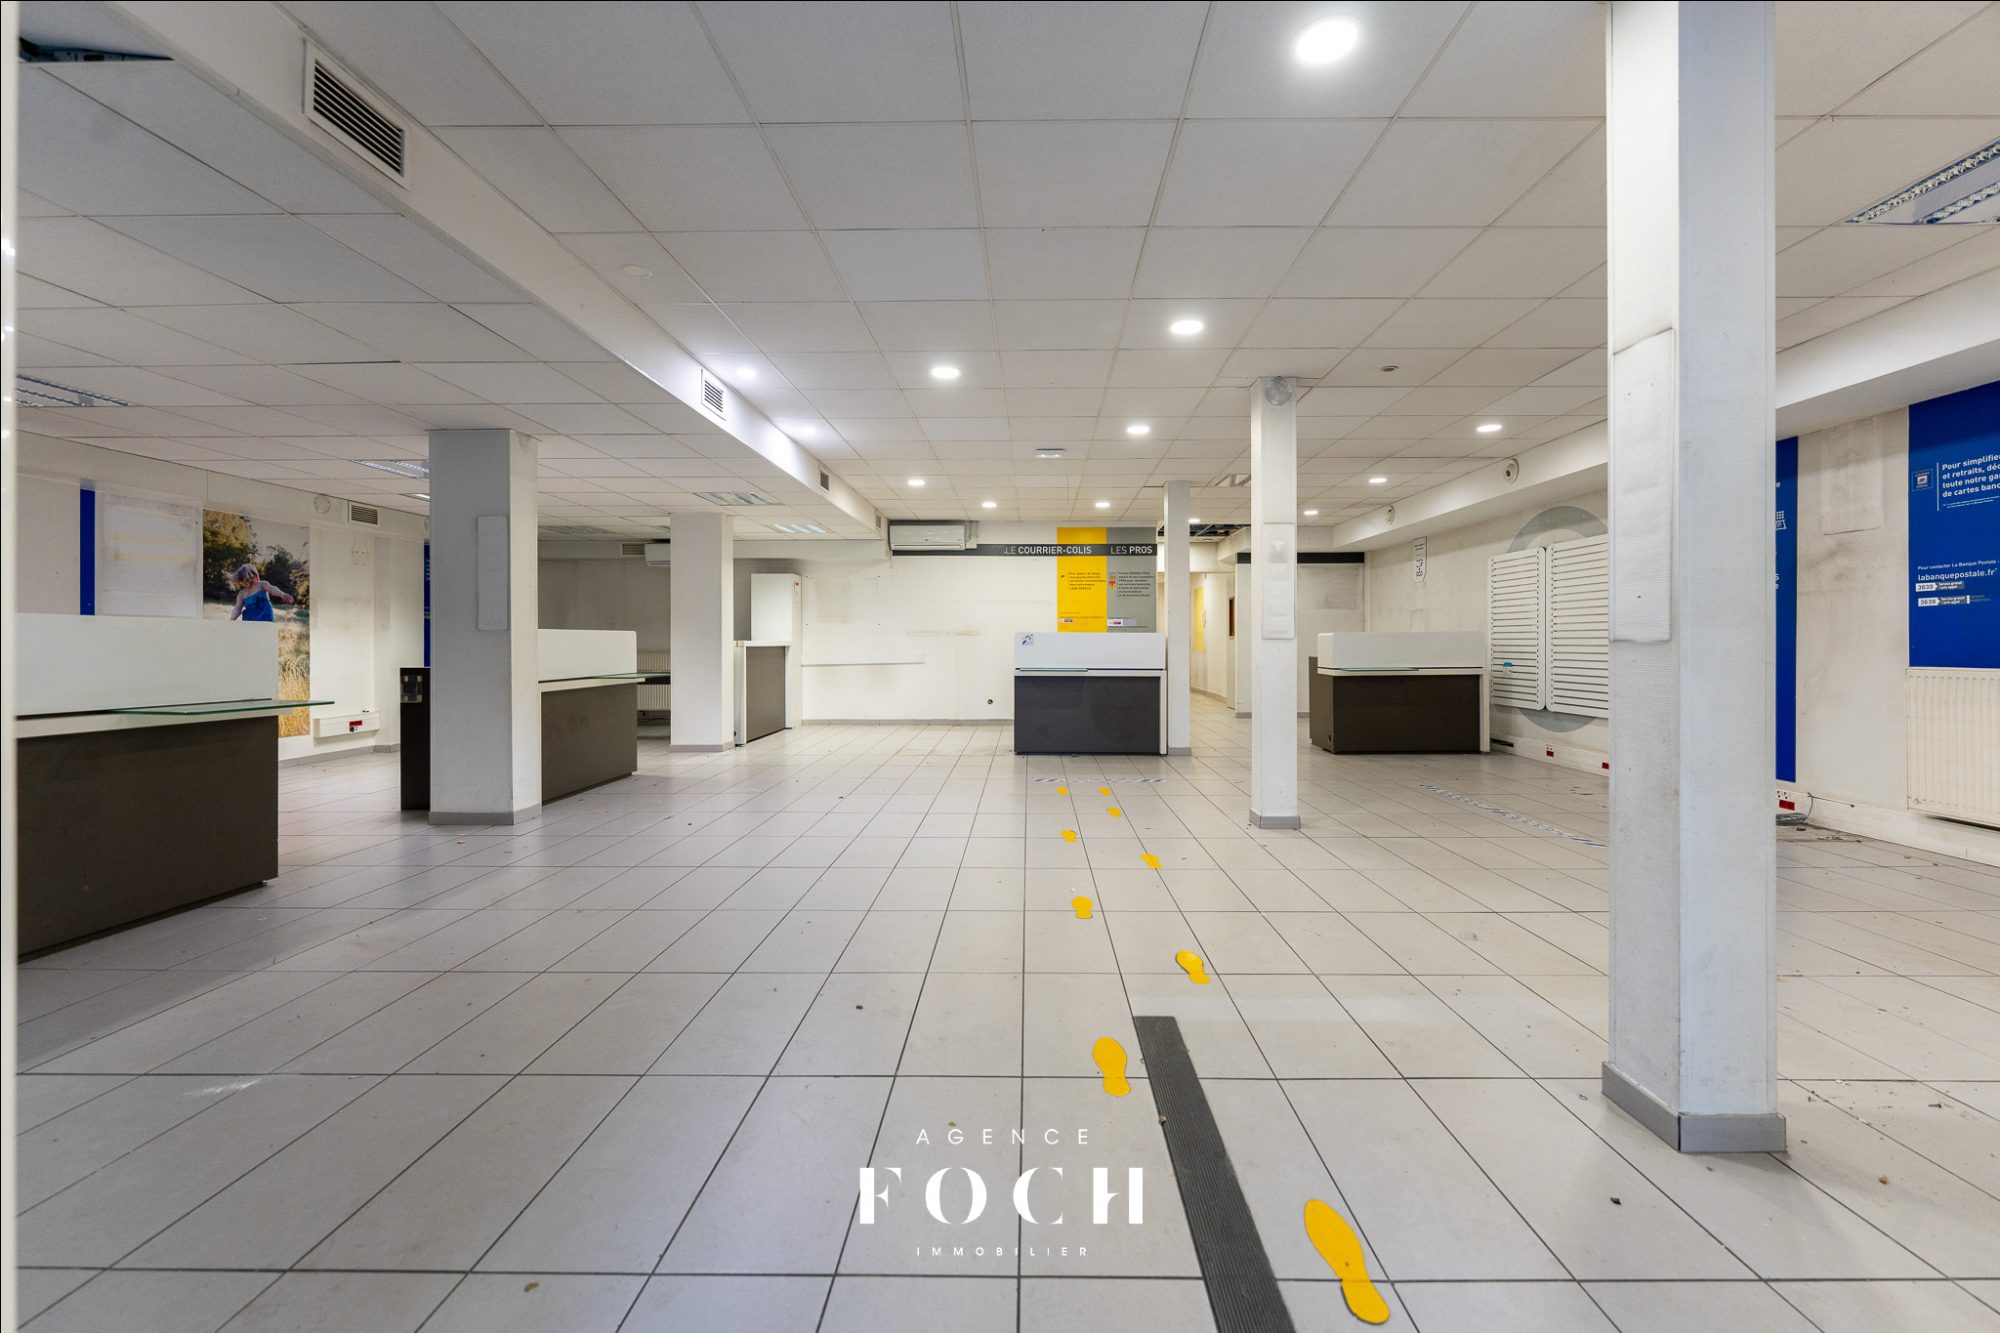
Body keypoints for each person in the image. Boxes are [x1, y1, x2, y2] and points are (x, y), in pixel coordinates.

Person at [229, 563, 296, 622]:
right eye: (243, 580)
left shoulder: (261, 585)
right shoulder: (241, 594)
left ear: (254, 575)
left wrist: (282, 594)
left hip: (265, 619)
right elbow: (237, 608)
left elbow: (272, 589)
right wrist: (231, 619)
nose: (245, 582)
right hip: (249, 621)